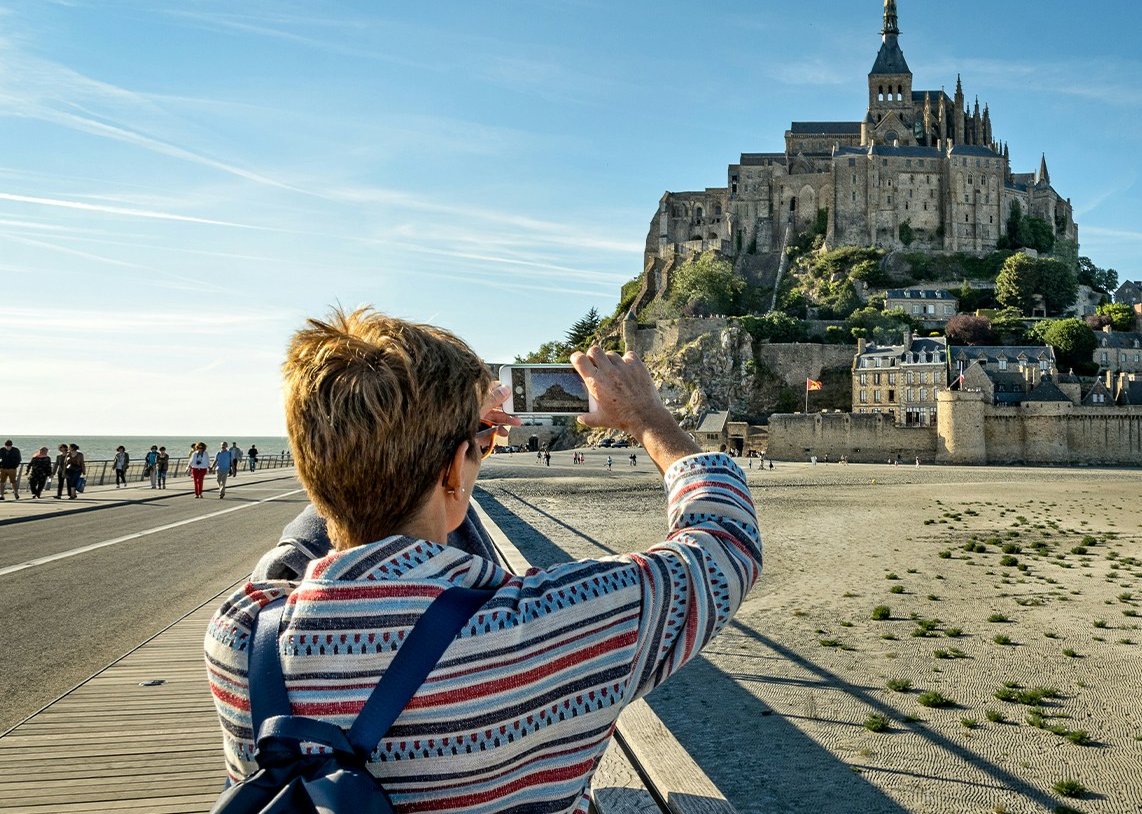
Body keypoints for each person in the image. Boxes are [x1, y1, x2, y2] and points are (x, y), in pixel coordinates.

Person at [205, 307, 759, 813]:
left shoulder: (240, 634)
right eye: (481, 447)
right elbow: (724, 541)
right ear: (452, 470)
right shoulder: (556, 623)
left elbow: (310, 542)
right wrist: (648, 418)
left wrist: (388, 445)